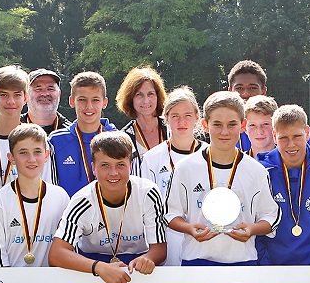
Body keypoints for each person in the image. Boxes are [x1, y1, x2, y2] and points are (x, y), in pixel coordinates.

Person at [166, 91, 280, 266]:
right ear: (205, 125)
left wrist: (252, 229)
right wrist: (188, 228)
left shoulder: (256, 171)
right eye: (217, 124)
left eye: (232, 124)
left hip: (242, 261)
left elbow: (271, 216)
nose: (224, 132)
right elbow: (170, 214)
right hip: (196, 261)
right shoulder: (185, 168)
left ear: (243, 125)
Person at [49, 132, 167, 283]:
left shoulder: (148, 193)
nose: (113, 173)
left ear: (131, 166)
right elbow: (56, 254)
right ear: (93, 168)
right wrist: (99, 267)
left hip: (135, 264)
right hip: (92, 265)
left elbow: (159, 249)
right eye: (105, 165)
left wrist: (148, 259)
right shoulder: (82, 201)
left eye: (120, 164)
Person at [0, 123, 71, 267]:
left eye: (37, 152)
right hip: (10, 280)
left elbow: (69, 250)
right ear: (11, 158)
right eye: (23, 153)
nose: (31, 159)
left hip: (52, 280)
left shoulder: (61, 198)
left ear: (46, 155)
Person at [258, 105, 310, 265]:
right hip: (272, 271)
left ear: (307, 132)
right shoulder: (261, 173)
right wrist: (265, 268)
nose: (291, 144)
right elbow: (255, 226)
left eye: (297, 136)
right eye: (283, 138)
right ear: (274, 136)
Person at [140, 86, 207, 265]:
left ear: (197, 117)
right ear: (166, 118)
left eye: (187, 115)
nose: (181, 121)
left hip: (203, 238)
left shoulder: (211, 155)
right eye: (175, 116)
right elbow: (147, 207)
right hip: (166, 240)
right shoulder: (152, 158)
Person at [49, 71, 117, 197]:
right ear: (71, 101)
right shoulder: (56, 141)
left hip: (108, 209)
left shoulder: (118, 140)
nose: (88, 106)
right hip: (69, 209)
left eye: (95, 100)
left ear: (104, 102)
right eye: (82, 100)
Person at [0, 65, 53, 186]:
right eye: (4, 95)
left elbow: (46, 186)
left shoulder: (38, 140)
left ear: (25, 98)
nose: (11, 101)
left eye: (17, 95)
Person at [116, 66, 169, 176]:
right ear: (130, 99)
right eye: (139, 95)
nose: (146, 100)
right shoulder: (124, 139)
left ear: (158, 96)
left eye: (151, 94)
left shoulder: (172, 129)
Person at [21, 68, 69, 134]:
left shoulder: (72, 134)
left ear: (59, 94)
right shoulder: (12, 129)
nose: (45, 93)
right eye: (38, 89)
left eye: (50, 89)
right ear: (26, 95)